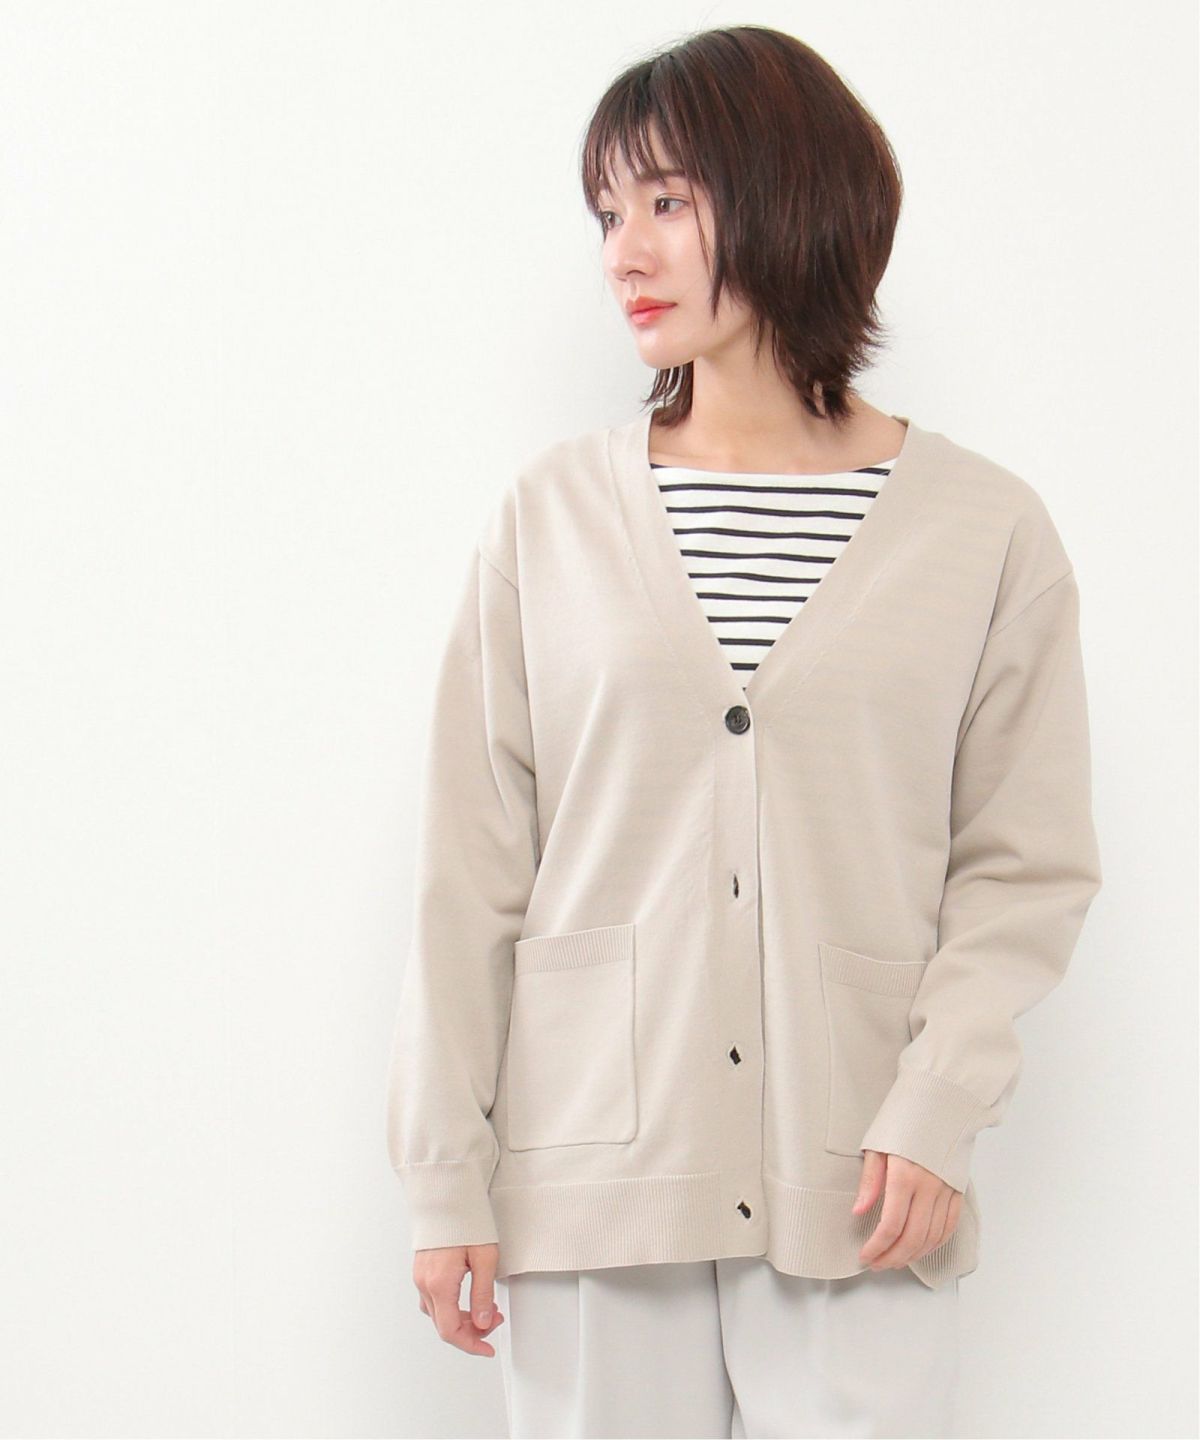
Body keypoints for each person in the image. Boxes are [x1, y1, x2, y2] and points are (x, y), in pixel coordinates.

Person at [385, 24, 1102, 1439]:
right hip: (594, 1168)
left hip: (862, 1173)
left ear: (789, 192)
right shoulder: (549, 520)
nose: (625, 253)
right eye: (608, 212)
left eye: (667, 200)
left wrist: (938, 1102)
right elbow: (471, 871)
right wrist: (443, 1172)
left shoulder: (985, 531)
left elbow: (1026, 866)